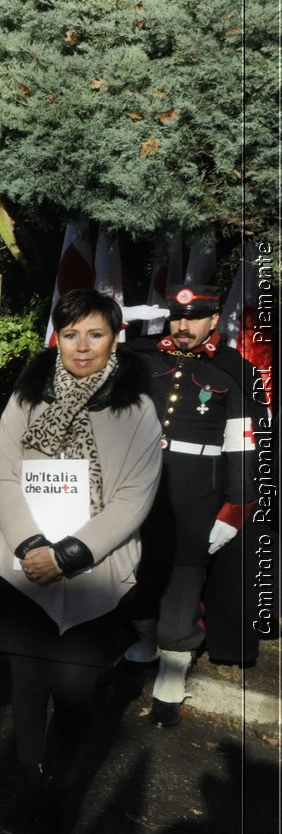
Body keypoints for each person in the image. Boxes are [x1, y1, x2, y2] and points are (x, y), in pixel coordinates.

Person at [0, 288, 159, 834]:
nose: (81, 346)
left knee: (75, 692)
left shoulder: (136, 406)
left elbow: (134, 497)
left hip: (94, 574)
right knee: (28, 688)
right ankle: (26, 786)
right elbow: (3, 474)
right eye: (70, 333)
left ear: (115, 339)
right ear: (55, 337)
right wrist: (33, 545)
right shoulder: (28, 394)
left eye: (95, 334)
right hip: (23, 569)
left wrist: (69, 556)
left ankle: (60, 794)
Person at [123, 284, 257, 723]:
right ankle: (141, 639)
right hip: (138, 484)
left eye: (194, 318)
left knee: (182, 584)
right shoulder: (141, 356)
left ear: (213, 321)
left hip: (195, 492)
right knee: (134, 571)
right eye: (177, 318)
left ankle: (172, 675)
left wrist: (235, 509)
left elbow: (243, 444)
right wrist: (117, 315)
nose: (183, 326)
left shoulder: (234, 370)